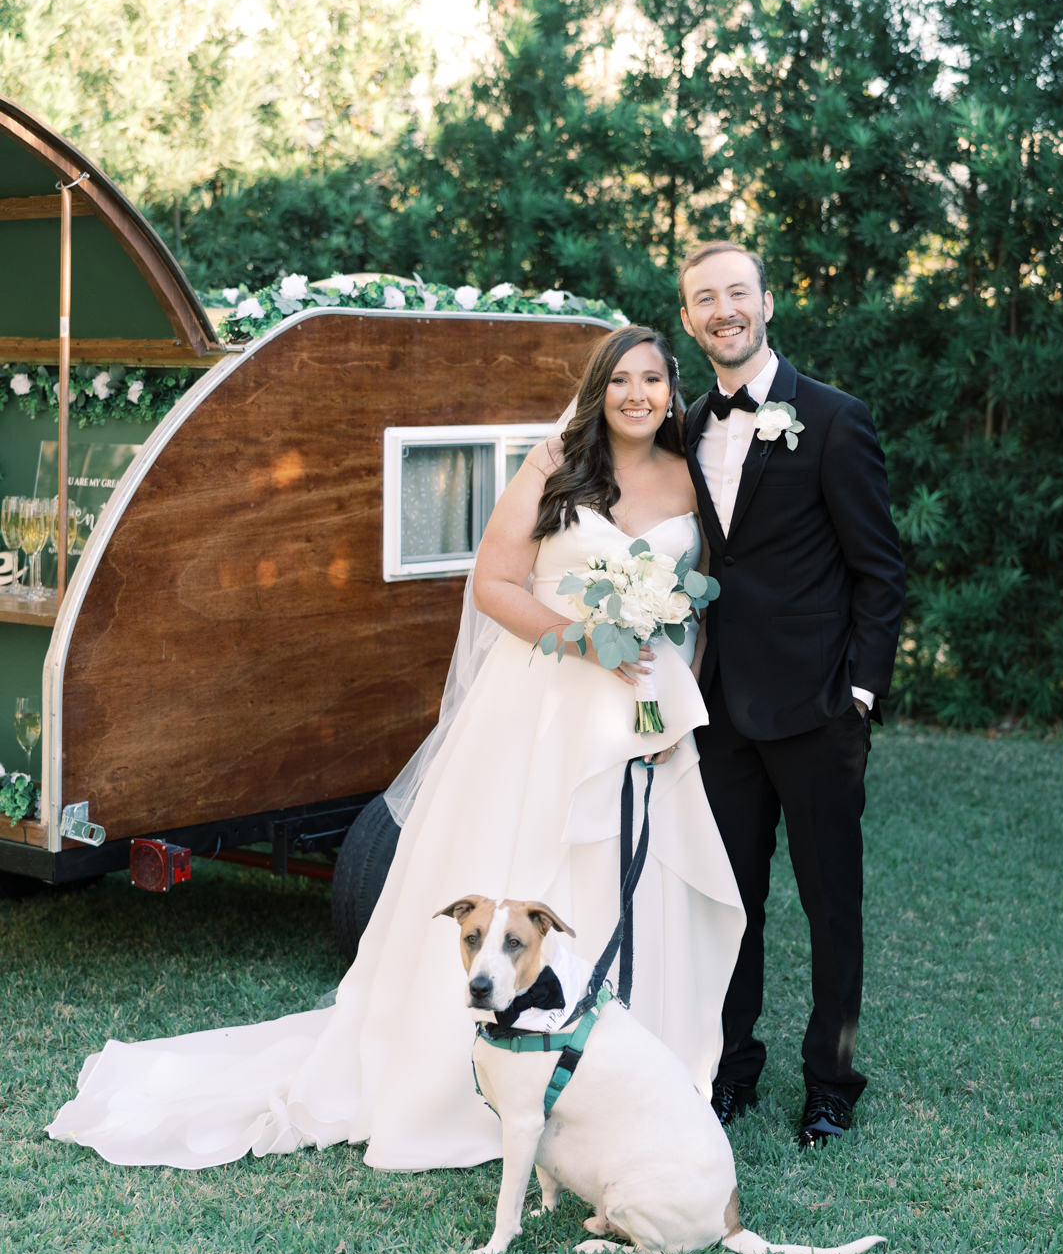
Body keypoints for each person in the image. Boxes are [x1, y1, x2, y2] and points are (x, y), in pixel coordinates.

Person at [48, 326, 744, 1172]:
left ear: (673, 391)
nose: (638, 394)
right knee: (534, 860)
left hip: (642, 714)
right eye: (621, 380)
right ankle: (477, 1079)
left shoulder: (687, 479)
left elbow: (692, 608)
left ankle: (620, 1073)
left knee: (637, 882)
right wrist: (579, 638)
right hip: (546, 705)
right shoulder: (556, 464)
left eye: (653, 380)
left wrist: (667, 692)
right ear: (598, 389)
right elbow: (491, 585)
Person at [678, 242, 905, 1148]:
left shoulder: (836, 419)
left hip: (817, 711)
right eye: (704, 299)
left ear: (768, 303)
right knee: (729, 902)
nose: (723, 309)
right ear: (691, 321)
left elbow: (878, 572)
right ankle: (731, 1066)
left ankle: (831, 1081)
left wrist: (857, 693)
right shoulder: (685, 424)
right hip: (720, 713)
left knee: (829, 902)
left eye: (737, 292)